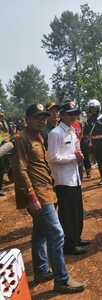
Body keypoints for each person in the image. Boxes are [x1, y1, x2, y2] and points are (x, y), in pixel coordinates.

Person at [12, 103, 85, 293]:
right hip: (38, 194)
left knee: (40, 234)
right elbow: (20, 170)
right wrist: (30, 196)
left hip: (47, 191)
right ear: (26, 119)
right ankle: (62, 279)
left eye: (43, 116)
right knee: (57, 233)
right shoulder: (21, 139)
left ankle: (42, 270)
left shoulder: (38, 137)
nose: (42, 120)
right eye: (37, 117)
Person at [48, 101, 90, 255]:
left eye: (75, 113)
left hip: (75, 178)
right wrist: (73, 157)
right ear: (62, 115)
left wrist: (78, 157)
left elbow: (75, 151)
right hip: (63, 181)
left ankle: (76, 238)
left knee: (77, 211)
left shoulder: (72, 131)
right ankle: (69, 245)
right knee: (67, 214)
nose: (74, 116)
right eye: (70, 113)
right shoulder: (55, 133)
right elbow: (52, 158)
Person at [84, 99, 102, 186]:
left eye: (94, 108)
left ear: (98, 108)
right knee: (99, 160)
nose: (93, 110)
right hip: (94, 141)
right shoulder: (89, 120)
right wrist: (85, 127)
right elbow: (86, 132)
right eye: (91, 108)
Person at [0, 112, 11, 196]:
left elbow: (7, 133)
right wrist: (3, 140)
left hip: (4, 148)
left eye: (2, 116)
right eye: (0, 116)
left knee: (2, 168)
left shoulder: (4, 124)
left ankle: (1, 187)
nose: (2, 117)